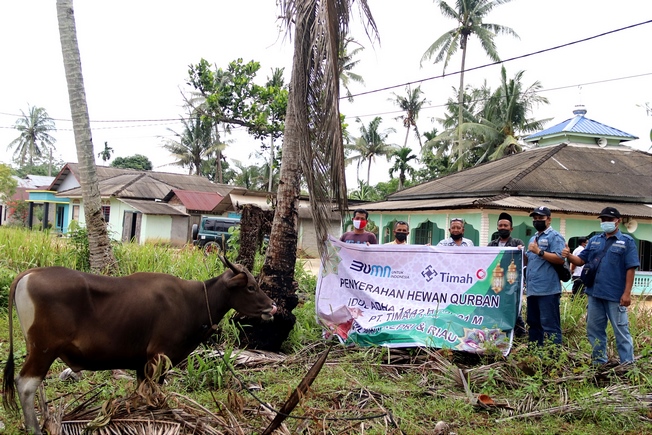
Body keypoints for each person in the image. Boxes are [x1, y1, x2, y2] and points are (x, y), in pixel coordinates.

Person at [562, 207, 639, 366]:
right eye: (603, 220)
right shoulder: (595, 240)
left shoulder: (627, 242)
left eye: (609, 220)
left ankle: (628, 366)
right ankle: (599, 363)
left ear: (618, 221)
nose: (606, 223)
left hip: (615, 296)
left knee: (621, 332)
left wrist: (627, 293)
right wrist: (569, 256)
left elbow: (630, 268)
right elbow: (581, 261)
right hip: (594, 294)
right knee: (594, 330)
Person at [524, 206, 566, 346]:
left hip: (548, 290)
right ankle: (535, 355)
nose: (537, 221)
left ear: (549, 220)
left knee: (550, 325)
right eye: (535, 219)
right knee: (533, 324)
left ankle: (553, 358)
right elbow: (530, 260)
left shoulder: (555, 237)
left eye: (540, 218)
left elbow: (560, 259)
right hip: (532, 289)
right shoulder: (533, 238)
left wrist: (539, 252)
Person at [488, 212, 526, 338]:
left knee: (513, 309)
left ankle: (519, 336)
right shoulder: (492, 244)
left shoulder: (516, 243)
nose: (503, 228)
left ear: (511, 228)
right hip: (495, 283)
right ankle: (497, 334)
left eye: (506, 225)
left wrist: (522, 251)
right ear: (497, 227)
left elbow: (524, 261)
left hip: (511, 283)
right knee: (495, 308)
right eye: (500, 225)